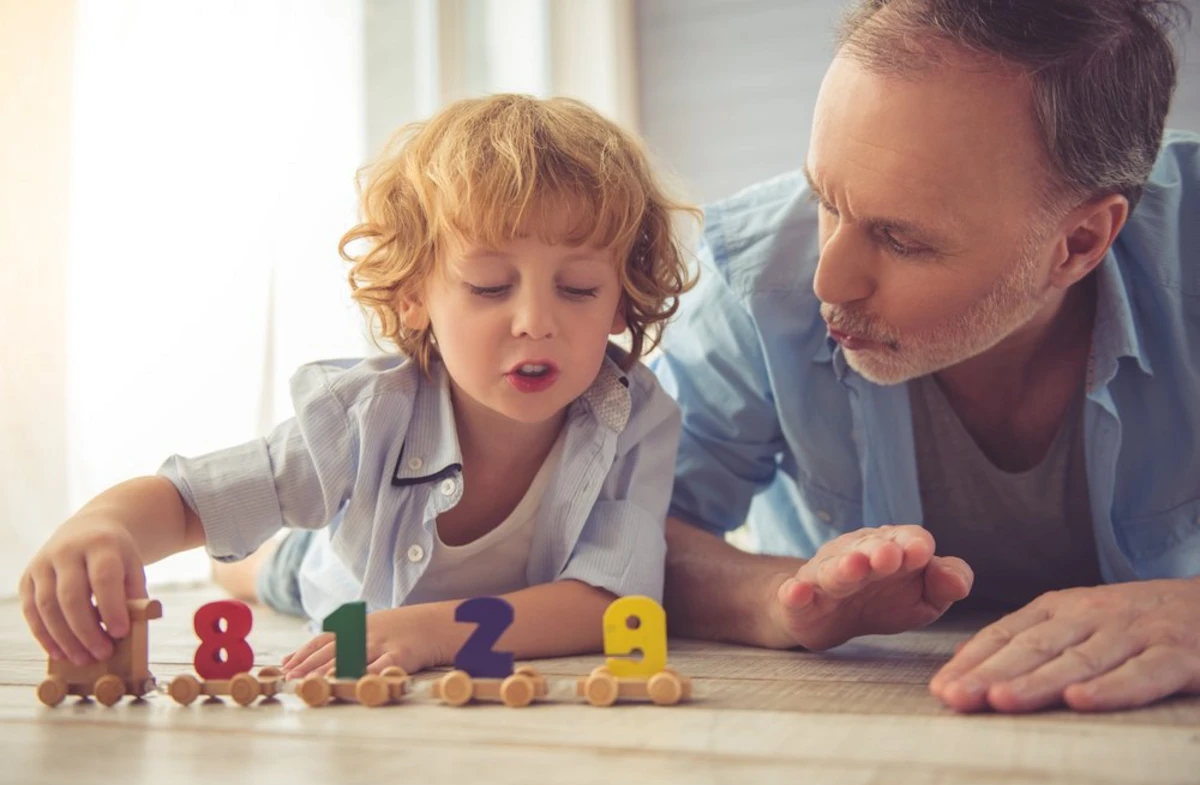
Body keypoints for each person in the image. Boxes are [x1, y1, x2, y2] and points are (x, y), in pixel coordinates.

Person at [20, 94, 696, 679]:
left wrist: (434, 632)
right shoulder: (363, 416)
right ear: (413, 299)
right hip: (338, 578)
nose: (536, 323)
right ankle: (251, 565)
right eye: (490, 286)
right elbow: (195, 502)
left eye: (578, 289)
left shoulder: (635, 417)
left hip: (430, 621)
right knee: (274, 572)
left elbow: (611, 602)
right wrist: (102, 525)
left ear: (618, 303)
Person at [655, 0, 1200, 713]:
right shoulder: (758, 278)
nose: (827, 280)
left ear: (1079, 244)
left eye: (903, 240)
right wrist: (780, 601)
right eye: (823, 197)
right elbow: (635, 528)